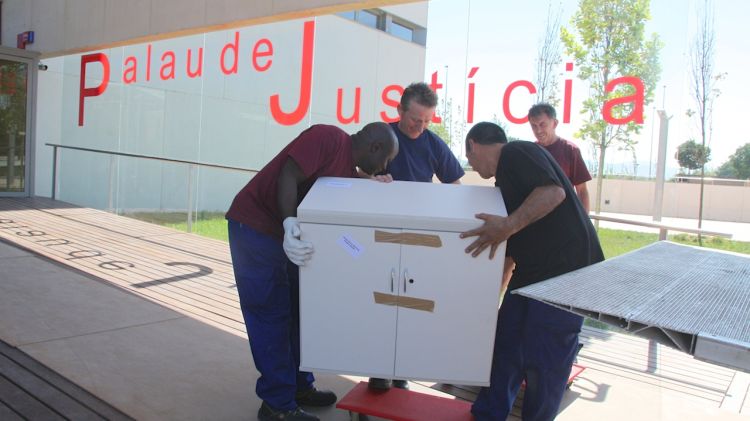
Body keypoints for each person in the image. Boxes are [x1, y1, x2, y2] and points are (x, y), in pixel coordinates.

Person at [226, 122, 398, 421]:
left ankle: (299, 387)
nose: (385, 166)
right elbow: (289, 174)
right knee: (271, 314)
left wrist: (372, 183)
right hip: (255, 227)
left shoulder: (347, 168)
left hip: (284, 237)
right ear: (375, 148)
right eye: (387, 160)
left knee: (298, 311)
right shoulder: (328, 137)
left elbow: (337, 183)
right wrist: (289, 222)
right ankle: (277, 405)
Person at [460, 122, 604, 421]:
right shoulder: (504, 184)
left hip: (568, 273)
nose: (471, 166)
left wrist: (506, 226)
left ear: (473, 145)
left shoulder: (517, 151)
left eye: (469, 158)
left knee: (545, 361)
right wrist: (490, 301)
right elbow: (510, 252)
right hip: (532, 272)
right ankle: (488, 413)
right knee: (505, 342)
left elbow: (554, 193)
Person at [367, 82, 465, 391]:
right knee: (380, 302)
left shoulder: (433, 144)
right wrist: (370, 179)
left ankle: (402, 372)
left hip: (418, 241)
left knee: (410, 304)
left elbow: (456, 186)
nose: (420, 127)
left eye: (426, 121)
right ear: (399, 111)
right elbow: (352, 171)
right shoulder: (379, 135)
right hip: (378, 236)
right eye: (414, 120)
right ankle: (378, 371)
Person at [528, 103, 591, 213]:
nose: (538, 131)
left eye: (542, 124)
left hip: (565, 216)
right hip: (535, 218)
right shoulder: (530, 152)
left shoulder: (571, 150)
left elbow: (581, 191)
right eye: (534, 126)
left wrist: (585, 224)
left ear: (555, 123)